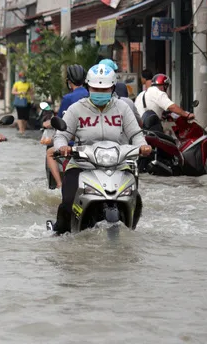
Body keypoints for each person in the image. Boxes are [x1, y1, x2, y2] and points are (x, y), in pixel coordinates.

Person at [48, 64, 152, 234]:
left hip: (117, 164)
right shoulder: (76, 109)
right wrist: (62, 147)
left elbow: (135, 133)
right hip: (83, 164)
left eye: (104, 90)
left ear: (112, 88)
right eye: (96, 88)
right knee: (68, 202)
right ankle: (60, 232)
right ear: (88, 86)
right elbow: (61, 135)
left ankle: (130, 229)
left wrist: (143, 146)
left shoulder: (123, 108)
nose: (100, 92)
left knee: (136, 198)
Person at [43, 64, 88, 189]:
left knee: (50, 153)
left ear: (69, 81)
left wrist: (48, 123)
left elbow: (60, 122)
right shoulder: (90, 95)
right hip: (91, 143)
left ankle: (59, 184)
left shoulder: (68, 98)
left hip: (74, 143)